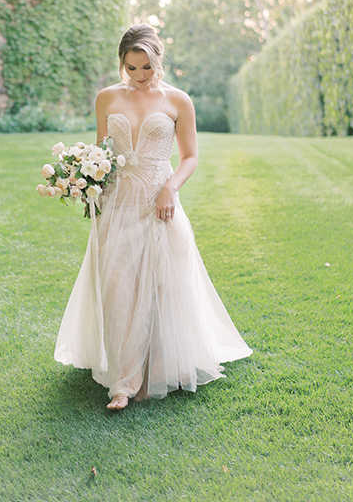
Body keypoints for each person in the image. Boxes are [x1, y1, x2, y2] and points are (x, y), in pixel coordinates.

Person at [54, 24, 252, 410]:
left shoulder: (178, 101)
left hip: (159, 199)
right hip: (116, 201)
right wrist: (84, 181)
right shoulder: (107, 98)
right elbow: (102, 152)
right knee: (117, 284)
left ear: (159, 60)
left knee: (162, 284)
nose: (140, 76)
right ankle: (122, 383)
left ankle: (158, 365)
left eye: (146, 67)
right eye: (131, 68)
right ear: (121, 64)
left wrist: (170, 188)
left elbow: (190, 157)